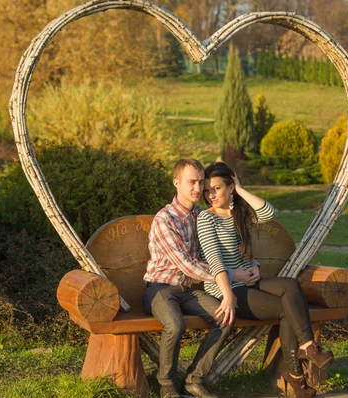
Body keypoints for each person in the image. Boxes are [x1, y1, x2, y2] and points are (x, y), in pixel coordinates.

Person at [197, 162, 334, 398]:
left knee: (290, 286)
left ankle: (307, 348)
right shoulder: (206, 219)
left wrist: (239, 190)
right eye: (207, 190)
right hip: (225, 289)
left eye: (217, 188)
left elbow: (268, 213)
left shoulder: (239, 213)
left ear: (230, 187)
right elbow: (214, 261)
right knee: (286, 310)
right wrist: (230, 289)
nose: (211, 195)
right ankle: (298, 375)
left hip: (249, 281)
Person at [143, 158, 251, 398]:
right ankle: (167, 386)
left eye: (200, 182)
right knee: (175, 324)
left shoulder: (202, 215)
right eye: (191, 182)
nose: (197, 188)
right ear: (176, 183)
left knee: (224, 317)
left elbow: (220, 250)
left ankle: (194, 380)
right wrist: (230, 276)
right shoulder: (165, 219)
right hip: (160, 290)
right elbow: (186, 264)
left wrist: (247, 266)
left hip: (188, 291)